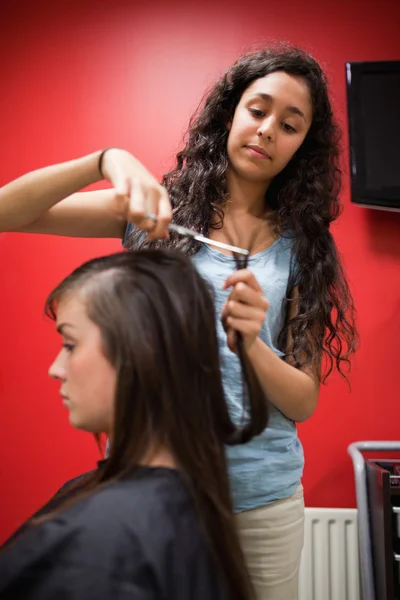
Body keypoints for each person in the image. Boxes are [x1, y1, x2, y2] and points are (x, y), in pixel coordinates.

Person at [0, 43, 358, 599]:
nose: (267, 131)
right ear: (231, 112)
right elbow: (5, 212)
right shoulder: (156, 213)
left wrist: (252, 346)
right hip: (165, 491)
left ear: (302, 146)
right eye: (258, 110)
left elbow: (303, 401)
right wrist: (105, 159)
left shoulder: (305, 246)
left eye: (290, 125)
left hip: (263, 504)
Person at [0, 249, 269, 600]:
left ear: (141, 351)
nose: (56, 368)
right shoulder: (185, 502)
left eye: (70, 344)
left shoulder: (107, 540)